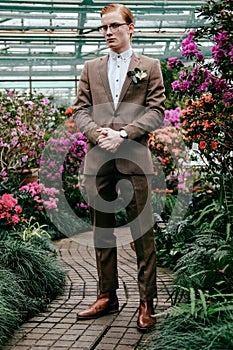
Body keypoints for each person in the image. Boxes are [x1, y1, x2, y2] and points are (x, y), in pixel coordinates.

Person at [73, 3, 165, 332]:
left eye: (114, 26)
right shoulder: (90, 68)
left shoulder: (150, 66)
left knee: (142, 230)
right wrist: (99, 134)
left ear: (131, 27)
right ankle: (106, 295)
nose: (108, 32)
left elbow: (156, 112)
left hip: (134, 157)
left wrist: (123, 133)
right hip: (99, 159)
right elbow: (81, 111)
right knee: (101, 229)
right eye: (104, 28)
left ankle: (146, 302)